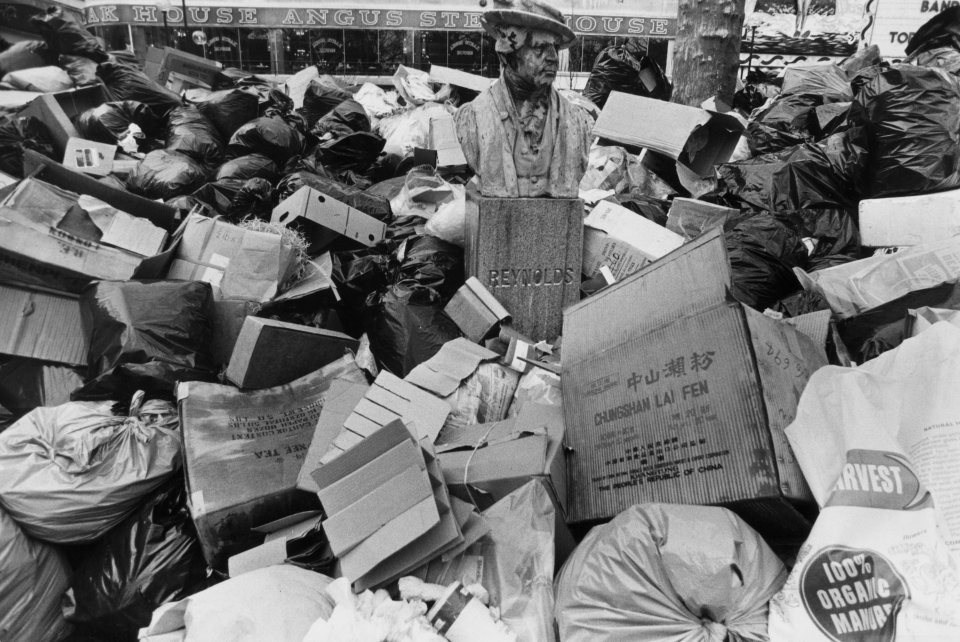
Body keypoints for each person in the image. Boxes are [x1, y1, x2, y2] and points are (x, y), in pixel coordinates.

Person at [454, 0, 593, 198]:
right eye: (540, 47)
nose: (553, 57)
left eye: (555, 48)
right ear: (508, 56)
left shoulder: (577, 121)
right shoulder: (474, 117)